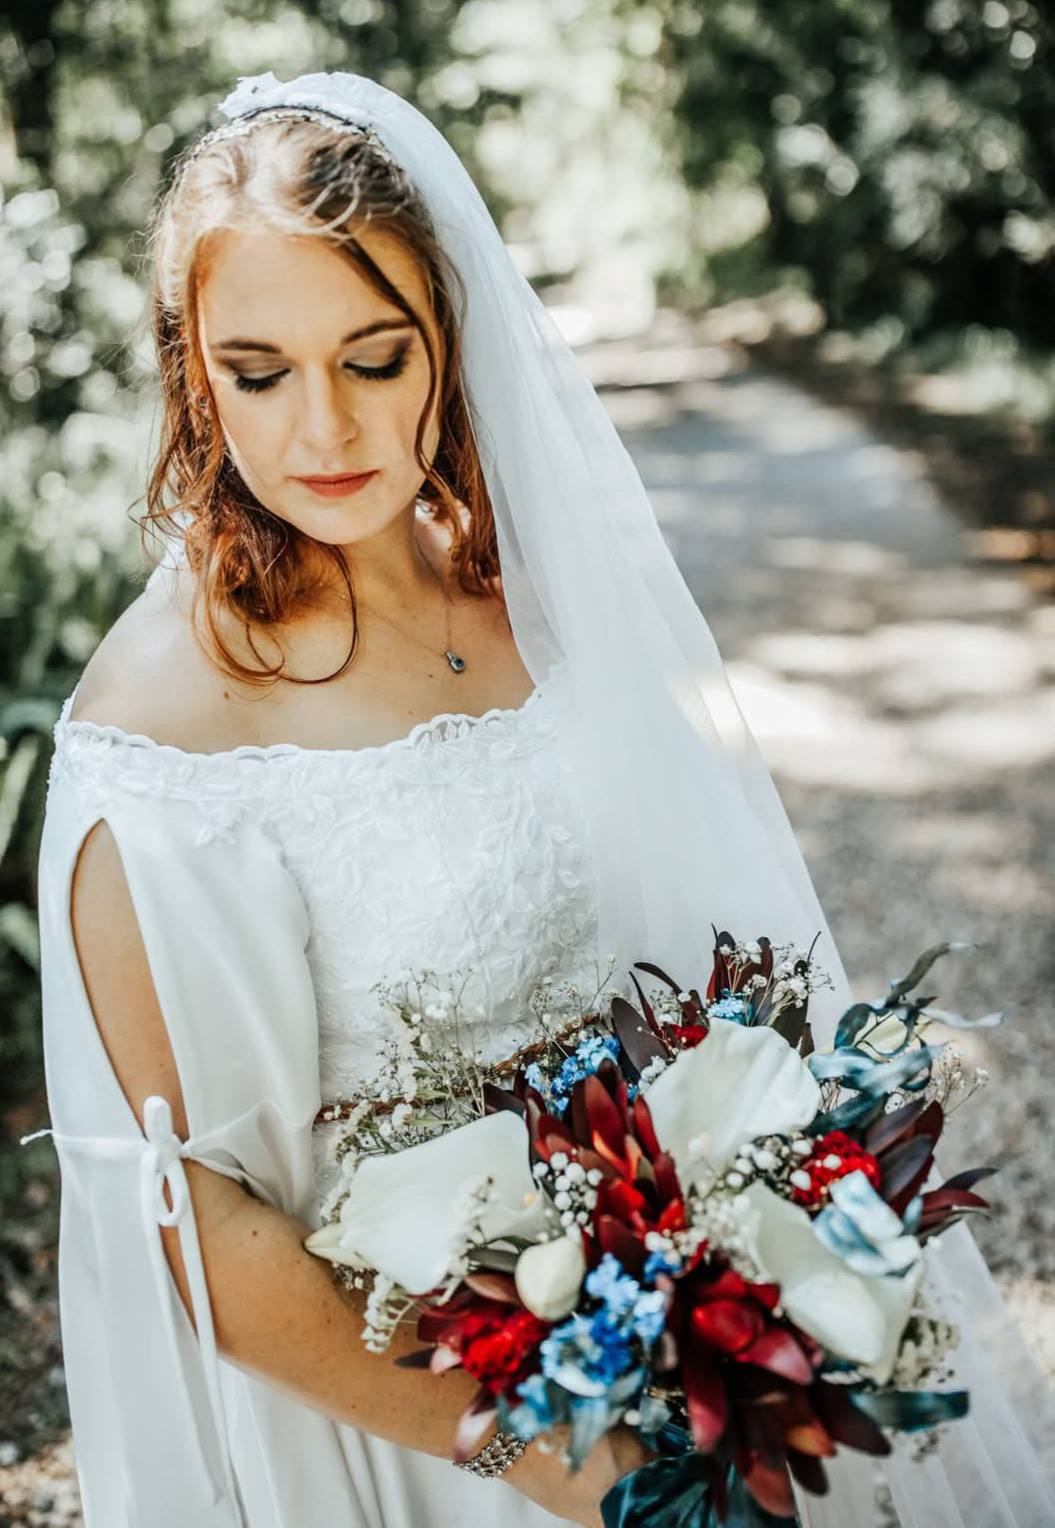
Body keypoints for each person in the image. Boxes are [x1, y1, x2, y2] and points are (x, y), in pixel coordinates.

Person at [29, 69, 1055, 1528]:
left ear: (448, 339)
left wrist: (769, 1238)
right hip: (433, 1434)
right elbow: (191, 1226)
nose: (322, 429)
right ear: (193, 366)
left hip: (693, 1330)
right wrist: (568, 1466)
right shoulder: (156, 733)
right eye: (257, 372)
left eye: (375, 359)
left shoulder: (524, 580)